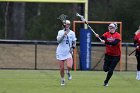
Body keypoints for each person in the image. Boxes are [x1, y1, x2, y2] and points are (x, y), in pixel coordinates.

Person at [56, 20, 77, 86]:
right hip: (60, 52)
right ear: (64, 25)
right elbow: (58, 41)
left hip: (68, 52)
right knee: (61, 68)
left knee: (69, 66)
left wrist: (73, 48)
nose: (67, 26)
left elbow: (74, 42)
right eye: (66, 24)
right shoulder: (60, 32)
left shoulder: (72, 33)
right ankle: (62, 79)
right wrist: (63, 35)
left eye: (68, 24)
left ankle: (68, 72)